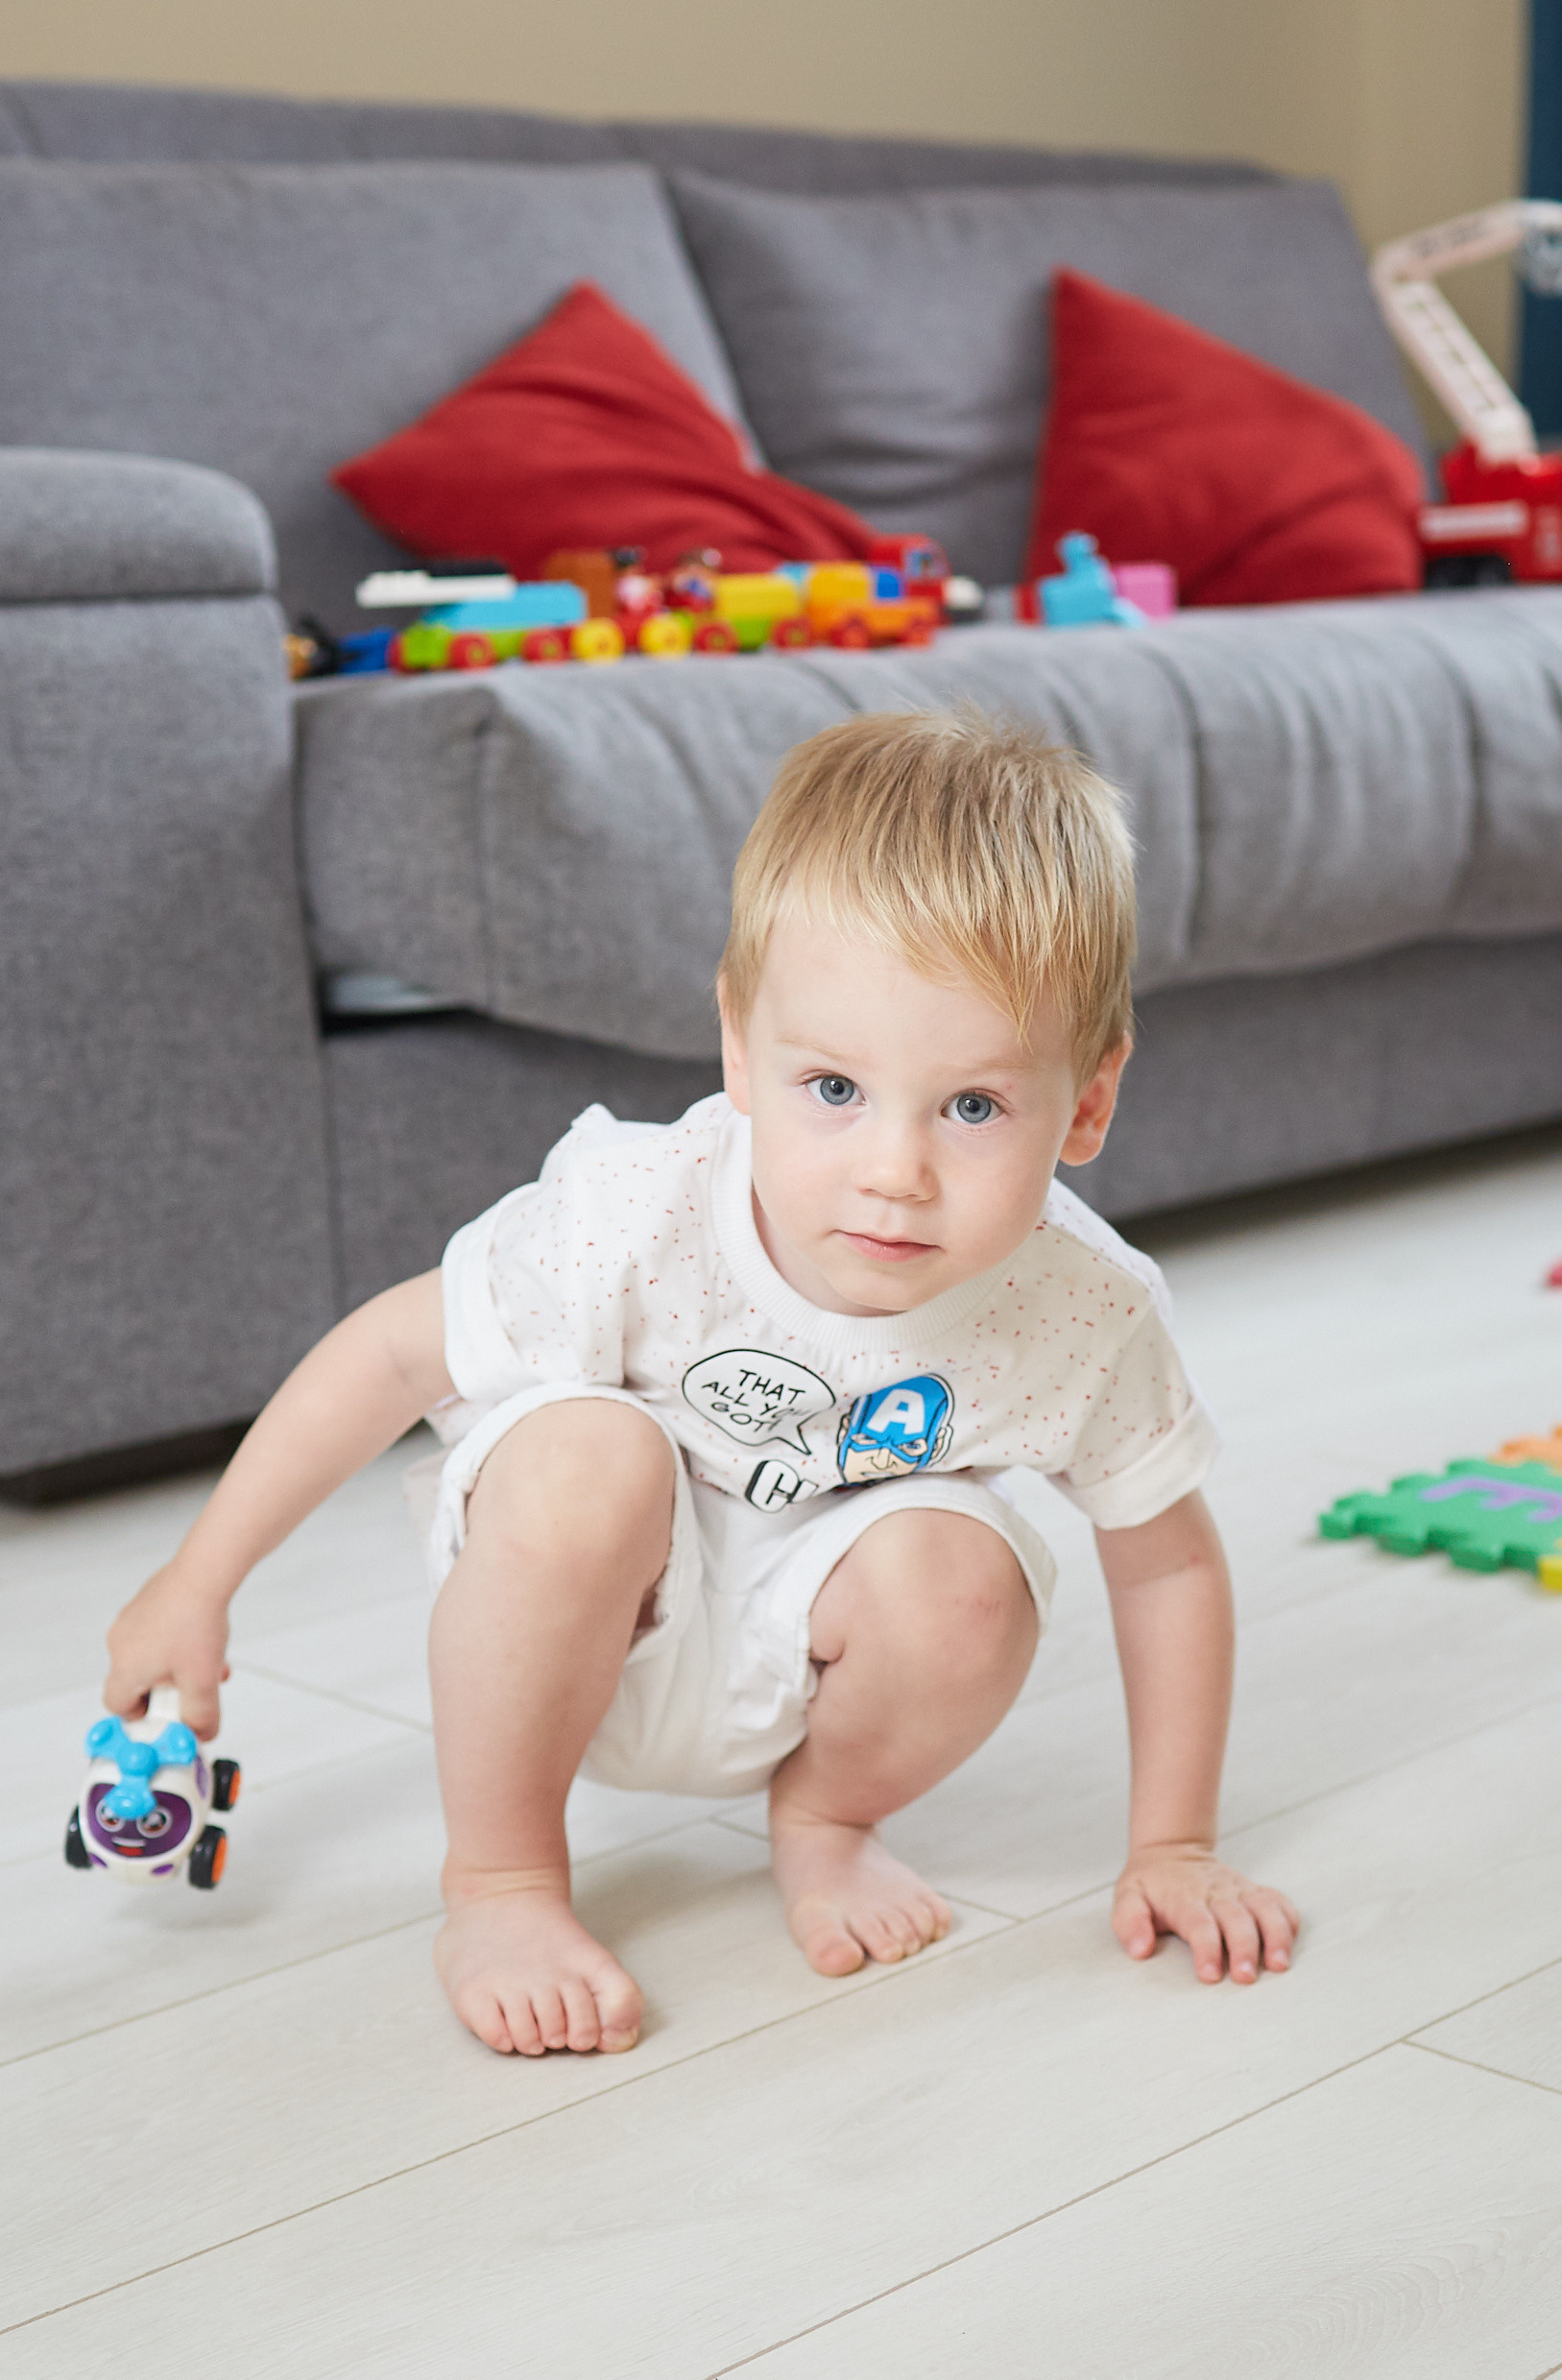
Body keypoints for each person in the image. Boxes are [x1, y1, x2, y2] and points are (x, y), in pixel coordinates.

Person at [104, 709, 1298, 2057]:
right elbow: (388, 1353)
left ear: (1086, 1102)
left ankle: (825, 1822)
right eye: (834, 1086)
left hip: (812, 1659)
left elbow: (1169, 1564)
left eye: (972, 1108)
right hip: (584, 1627)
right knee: (582, 1457)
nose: (893, 1172)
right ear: (740, 1050)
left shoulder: (1080, 1310)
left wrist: (1177, 1842)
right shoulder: (638, 1209)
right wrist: (197, 1583)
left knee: (966, 1581)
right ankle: (501, 1882)